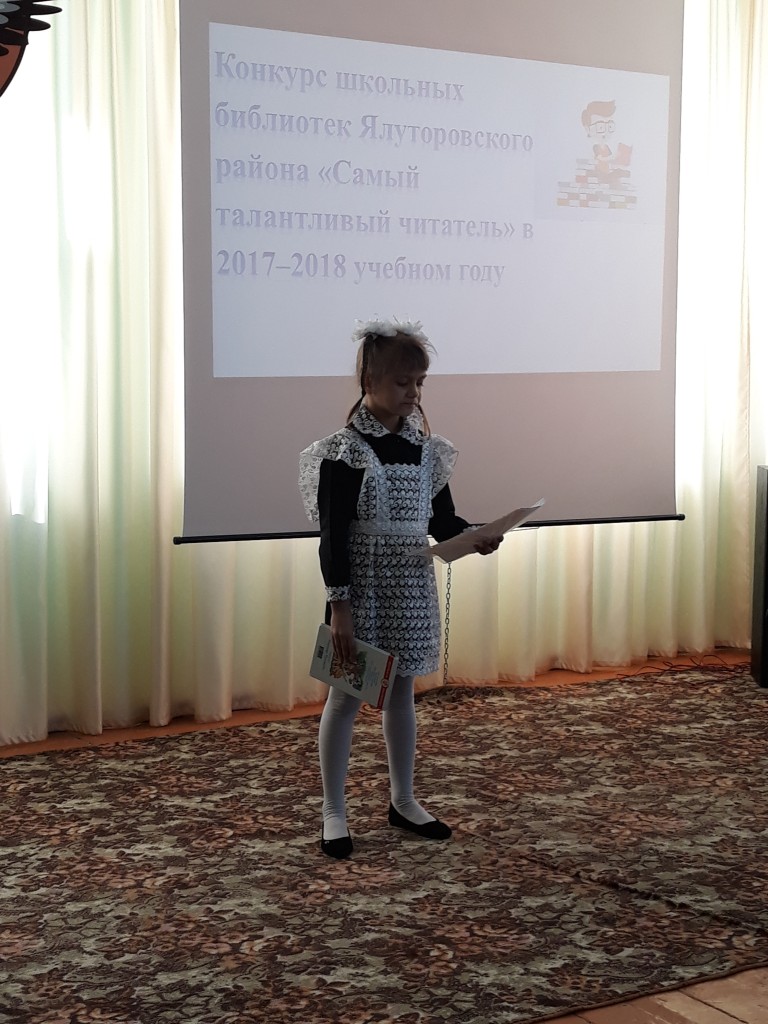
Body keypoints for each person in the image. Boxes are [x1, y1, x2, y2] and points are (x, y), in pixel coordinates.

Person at [299, 317, 502, 859]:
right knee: (346, 696)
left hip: (410, 587)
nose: (413, 393)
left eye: (419, 383)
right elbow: (332, 538)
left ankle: (403, 800)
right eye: (402, 382)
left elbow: (443, 521)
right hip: (360, 590)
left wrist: (476, 538)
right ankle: (333, 810)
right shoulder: (343, 451)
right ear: (369, 380)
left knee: (401, 692)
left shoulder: (427, 450)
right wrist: (339, 608)